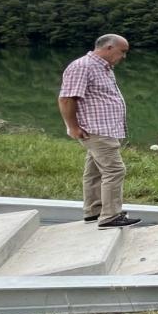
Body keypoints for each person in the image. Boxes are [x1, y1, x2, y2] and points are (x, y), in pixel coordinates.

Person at [58, 34, 140, 228]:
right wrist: (73, 127)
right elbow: (67, 99)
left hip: (105, 129)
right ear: (109, 48)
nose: (124, 56)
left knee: (94, 172)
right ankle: (111, 216)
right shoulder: (82, 66)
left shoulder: (104, 68)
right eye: (123, 52)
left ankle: (94, 211)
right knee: (115, 170)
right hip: (96, 131)